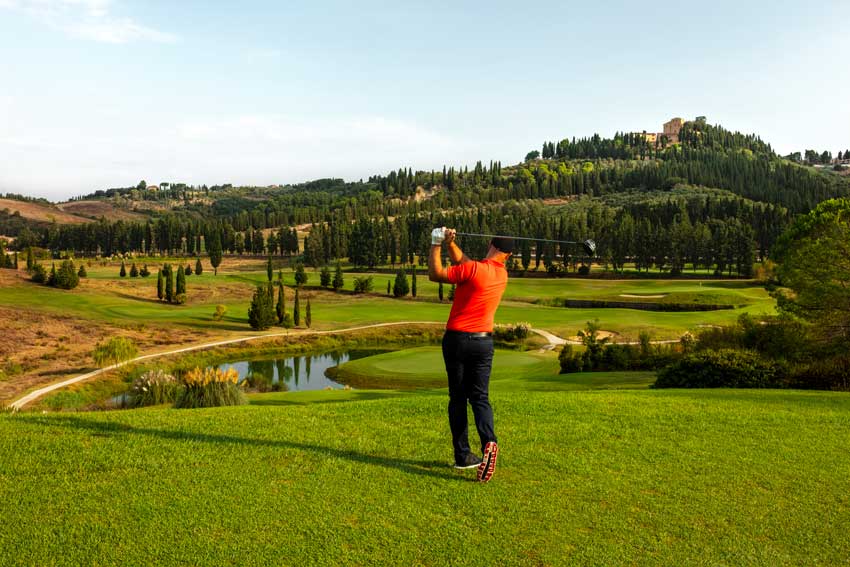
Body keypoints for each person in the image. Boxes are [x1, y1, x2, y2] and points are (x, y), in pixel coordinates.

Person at [428, 227, 513, 483]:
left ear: (490, 244)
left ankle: (463, 455)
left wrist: (436, 243)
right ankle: (489, 443)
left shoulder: (475, 269)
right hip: (483, 343)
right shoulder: (500, 274)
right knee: (480, 397)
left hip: (456, 340)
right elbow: (466, 265)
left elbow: (436, 274)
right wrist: (451, 243)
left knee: (457, 397)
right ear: (506, 256)